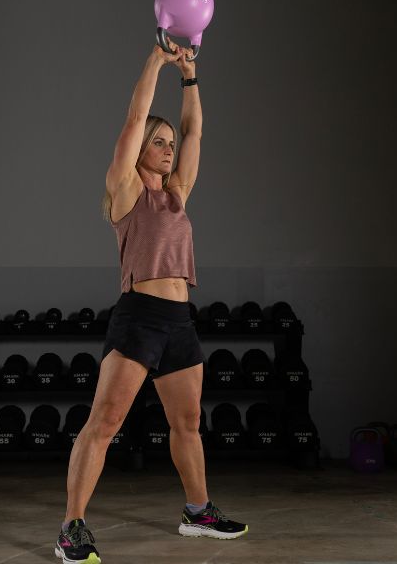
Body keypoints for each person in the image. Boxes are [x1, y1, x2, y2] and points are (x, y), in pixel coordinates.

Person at [55, 39, 248, 564]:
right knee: (105, 425)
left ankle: (198, 511)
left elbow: (195, 131)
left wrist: (190, 77)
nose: (166, 146)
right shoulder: (125, 191)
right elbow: (135, 113)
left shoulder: (178, 192)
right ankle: (72, 527)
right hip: (138, 317)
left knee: (187, 425)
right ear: (139, 148)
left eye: (167, 141)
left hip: (179, 319)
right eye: (156, 141)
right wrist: (156, 61)